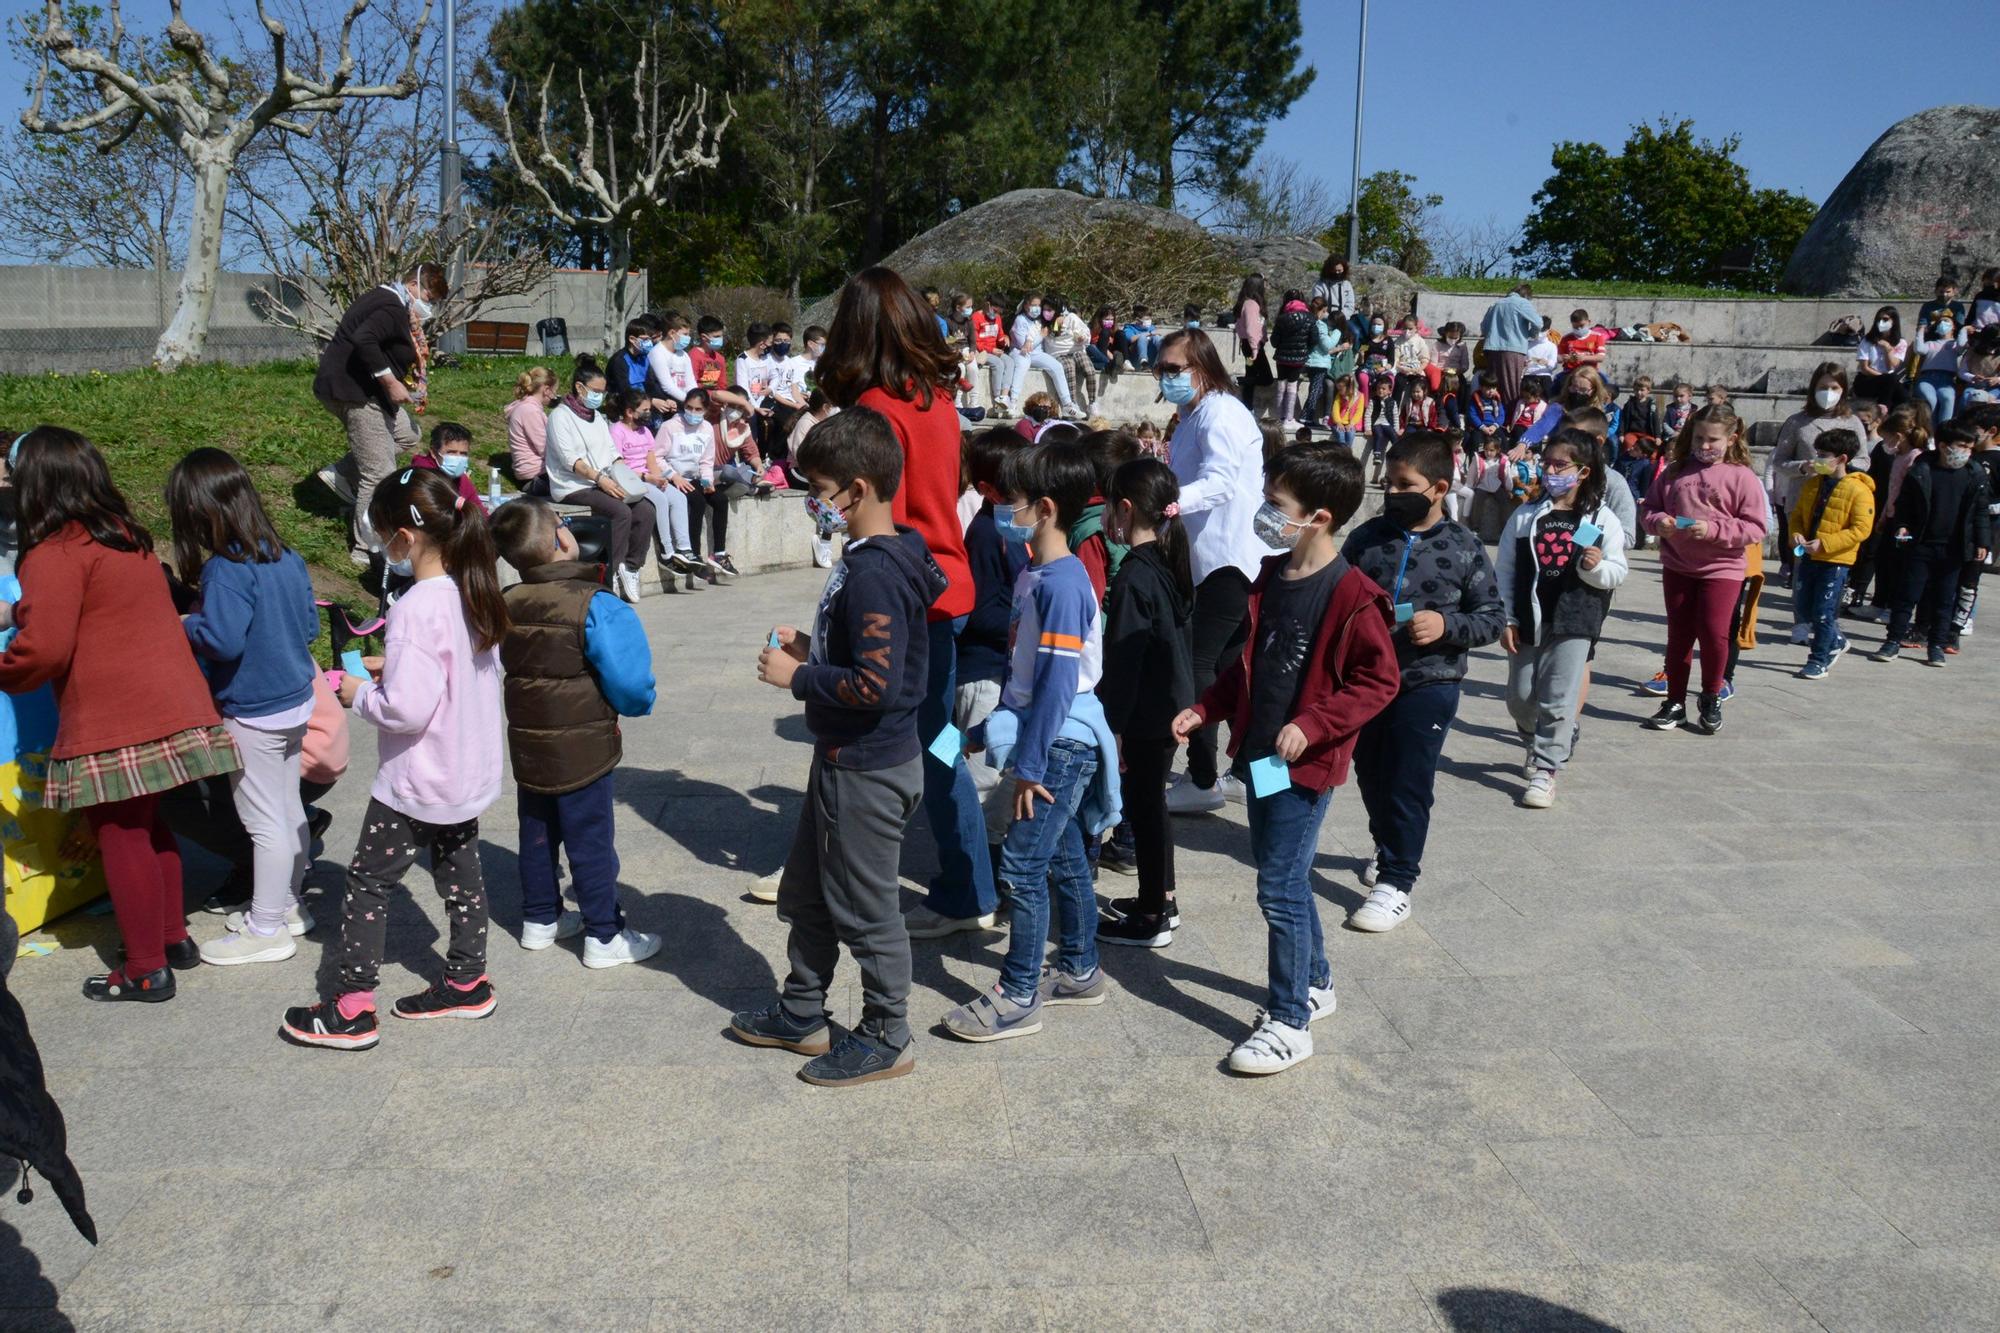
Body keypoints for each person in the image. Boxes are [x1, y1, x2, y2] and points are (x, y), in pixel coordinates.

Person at [1171, 444, 1398, 1074]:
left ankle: (1290, 1021)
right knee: (1286, 878)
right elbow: (1248, 668)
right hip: (1262, 760)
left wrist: (1315, 724)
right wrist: (1206, 709)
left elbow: (1378, 682)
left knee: (1276, 887)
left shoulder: (1354, 595)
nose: (1266, 514)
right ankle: (1315, 980)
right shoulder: (1270, 577)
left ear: (1319, 518)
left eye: (1277, 506)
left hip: (1306, 767)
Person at [733, 410, 943, 1082]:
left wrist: (801, 677)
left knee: (866, 906)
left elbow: (876, 684)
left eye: (819, 490)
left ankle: (887, 1033)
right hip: (844, 759)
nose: (814, 504)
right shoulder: (877, 557)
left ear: (855, 489)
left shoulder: (878, 571)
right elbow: (871, 658)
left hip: (868, 767)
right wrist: (815, 646)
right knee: (812, 892)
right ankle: (802, 1012)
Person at [0, 427, 242, 1002]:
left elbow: (46, 650)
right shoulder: (124, 537)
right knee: (148, 825)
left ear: (37, 482)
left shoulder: (53, 551)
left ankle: (143, 968)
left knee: (119, 834)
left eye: (13, 475)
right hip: (170, 704)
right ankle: (171, 939)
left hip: (116, 716)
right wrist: (19, 608)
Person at [280, 468, 508, 1050]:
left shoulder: (412, 608)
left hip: (417, 778)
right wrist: (394, 669)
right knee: (462, 875)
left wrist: (358, 693)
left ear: (403, 539)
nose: (384, 547)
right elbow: (459, 676)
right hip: (464, 772)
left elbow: (406, 712)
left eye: (382, 536)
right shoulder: (474, 589)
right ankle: (467, 978)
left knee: (367, 883)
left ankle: (351, 1006)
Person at [818, 267, 997, 937]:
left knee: (870, 736)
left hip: (894, 588)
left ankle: (930, 884)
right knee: (941, 741)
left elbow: (860, 504)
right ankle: (968, 879)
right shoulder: (938, 401)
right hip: (944, 587)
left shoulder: (872, 407)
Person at [943, 439, 1118, 1042]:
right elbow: (1023, 686)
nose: (1000, 510)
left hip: (1059, 745)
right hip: (1042, 738)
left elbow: (1056, 686)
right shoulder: (1035, 574)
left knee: (1021, 866)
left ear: (1044, 508)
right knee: (1065, 858)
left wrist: (1031, 767)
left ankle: (1018, 992)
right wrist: (975, 734)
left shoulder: (1063, 585)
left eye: (1009, 501)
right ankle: (1079, 968)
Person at [489, 500, 662, 967]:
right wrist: (639, 705)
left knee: (537, 831)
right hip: (583, 747)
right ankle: (605, 934)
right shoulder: (594, 603)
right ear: (563, 540)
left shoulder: (507, 601)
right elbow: (630, 682)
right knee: (590, 838)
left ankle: (540, 920)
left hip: (529, 742)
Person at [1342, 432, 1503, 928]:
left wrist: (1447, 627)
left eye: (1403, 484)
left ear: (1437, 488)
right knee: (1371, 772)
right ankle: (1386, 842)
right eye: (1388, 482)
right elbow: (1336, 591)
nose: (1392, 492)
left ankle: (1397, 881)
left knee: (1409, 781)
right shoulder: (1367, 537)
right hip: (1366, 682)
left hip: (1429, 683)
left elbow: (1493, 618)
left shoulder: (1464, 545)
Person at [168, 448, 321, 966]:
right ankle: (289, 905)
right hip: (296, 701)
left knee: (262, 822)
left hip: (252, 710)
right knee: (287, 807)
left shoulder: (225, 569)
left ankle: (266, 927)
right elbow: (309, 628)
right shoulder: (286, 555)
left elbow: (224, 641)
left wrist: (189, 625)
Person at [1155, 329, 1268, 815]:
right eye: (1161, 369)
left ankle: (1202, 778)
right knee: (1228, 670)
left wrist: (1172, 503)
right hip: (1212, 558)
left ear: (1202, 367)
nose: (1167, 377)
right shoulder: (1194, 414)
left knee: (1196, 669)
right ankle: (1237, 771)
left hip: (1227, 558)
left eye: (1175, 369)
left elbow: (1219, 481)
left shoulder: (1219, 412)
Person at [1095, 457, 1196, 948]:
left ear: (1127, 508)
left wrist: (1111, 725)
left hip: (1145, 714)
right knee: (1152, 807)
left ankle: (1152, 913)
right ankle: (1163, 898)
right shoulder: (1166, 559)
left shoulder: (1136, 574)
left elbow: (1125, 659)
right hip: (1169, 704)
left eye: (1111, 507)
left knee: (1145, 811)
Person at [1497, 430, 1627, 808]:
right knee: (1520, 697)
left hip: (1575, 619)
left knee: (1558, 699)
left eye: (1560, 465)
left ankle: (1547, 769)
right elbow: (1504, 569)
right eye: (1547, 462)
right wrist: (1506, 616)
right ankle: (1532, 740)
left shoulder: (1602, 519)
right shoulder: (1525, 516)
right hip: (1528, 616)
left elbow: (1618, 571)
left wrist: (1596, 568)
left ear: (1583, 472)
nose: (1550, 470)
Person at [1642, 404, 1769, 734]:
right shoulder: (1675, 471)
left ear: (1732, 438)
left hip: (1722, 567)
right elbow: (1650, 509)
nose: (1705, 445)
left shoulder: (1742, 477)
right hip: (1678, 566)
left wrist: (1713, 530)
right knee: (1679, 636)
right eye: (1699, 437)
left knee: (1714, 634)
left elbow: (1756, 527)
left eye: (1713, 439)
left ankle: (1711, 695)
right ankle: (1675, 701)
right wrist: (1660, 523)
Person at [315, 262, 446, 566]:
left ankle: (342, 473)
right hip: (357, 394)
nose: (430, 306)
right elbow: (364, 339)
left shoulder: (395, 304)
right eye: (429, 297)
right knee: (379, 472)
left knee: (407, 434)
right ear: (413, 284)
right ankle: (367, 547)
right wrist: (389, 380)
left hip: (368, 392)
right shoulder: (390, 304)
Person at [544, 356, 664, 603]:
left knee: (645, 509)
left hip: (603, 480)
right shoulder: (560, 417)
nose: (599, 396)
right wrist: (600, 479)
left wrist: (624, 477)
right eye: (595, 391)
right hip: (574, 485)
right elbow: (571, 460)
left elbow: (612, 453)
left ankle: (630, 567)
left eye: (602, 391)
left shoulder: (597, 417)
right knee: (621, 512)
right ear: (579, 388)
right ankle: (608, 576)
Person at [1873, 420, 1993, 666]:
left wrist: (1982, 541)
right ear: (1942, 445)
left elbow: (1979, 512)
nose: (1966, 451)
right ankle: (1893, 640)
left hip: (1953, 548)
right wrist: (1902, 525)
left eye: (1970, 447)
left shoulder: (1974, 474)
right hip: (1921, 545)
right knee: (1907, 595)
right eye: (1961, 445)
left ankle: (1936, 645)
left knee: (1944, 599)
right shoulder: (1922, 469)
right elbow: (1905, 503)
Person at [1766, 364, 1866, 596]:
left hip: (1839, 502)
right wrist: (1803, 467)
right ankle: (1801, 617)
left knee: (1831, 568)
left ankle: (1825, 615)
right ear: (1813, 388)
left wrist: (1840, 467)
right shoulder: (1796, 422)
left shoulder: (1852, 422)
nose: (1828, 392)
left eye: (1834, 387)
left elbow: (1864, 460)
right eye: (1822, 387)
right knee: (1802, 565)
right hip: (1802, 499)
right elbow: (1780, 461)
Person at [1787, 428, 1875, 680]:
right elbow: (1798, 517)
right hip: (1807, 557)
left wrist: (1825, 544)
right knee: (1804, 606)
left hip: (1834, 560)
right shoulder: (1813, 484)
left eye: (1823, 455)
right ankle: (1835, 640)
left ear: (1842, 459)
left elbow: (1861, 529)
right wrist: (1796, 535)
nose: (1817, 460)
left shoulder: (1859, 491)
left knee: (1824, 611)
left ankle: (1819, 659)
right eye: (1817, 453)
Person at [649, 386, 725, 582]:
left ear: (706, 410)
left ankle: (719, 553)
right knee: (697, 501)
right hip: (673, 477)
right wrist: (674, 476)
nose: (693, 413)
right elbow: (656, 457)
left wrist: (708, 480)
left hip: (695, 477)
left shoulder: (707, 428)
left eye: (698, 409)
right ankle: (694, 554)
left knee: (720, 500)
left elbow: (707, 460)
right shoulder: (670, 427)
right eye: (689, 408)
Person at [1479, 282, 1542, 422]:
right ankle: (1510, 419)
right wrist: (1531, 333)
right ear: (1526, 295)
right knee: (1511, 387)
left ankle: (1495, 419)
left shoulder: (1496, 304)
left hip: (1492, 349)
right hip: (1513, 349)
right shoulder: (1522, 303)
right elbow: (1538, 322)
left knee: (1494, 385)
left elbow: (1483, 328)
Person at [505, 366, 558, 496]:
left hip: (536, 475)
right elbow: (545, 448)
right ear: (546, 390)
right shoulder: (530, 411)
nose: (555, 396)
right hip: (535, 478)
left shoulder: (528, 408)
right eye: (555, 391)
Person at [411, 420, 485, 514]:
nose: (458, 458)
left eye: (463, 453)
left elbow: (479, 511)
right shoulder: (421, 477)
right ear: (433, 452)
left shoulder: (460, 478)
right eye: (451, 452)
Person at [1270, 289, 1315, 429]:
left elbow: (1274, 342)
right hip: (1299, 358)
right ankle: (1289, 418)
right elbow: (1314, 339)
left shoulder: (1282, 317)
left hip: (1282, 358)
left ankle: (1278, 418)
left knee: (1281, 385)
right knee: (1292, 385)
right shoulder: (1310, 317)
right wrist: (1305, 347)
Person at [1913, 306, 1964, 425]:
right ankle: (1931, 431)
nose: (1942, 324)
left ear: (1953, 327)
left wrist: (1964, 330)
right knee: (1930, 399)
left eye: (1946, 321)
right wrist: (1921, 330)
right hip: (1927, 378)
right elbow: (1919, 349)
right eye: (1940, 322)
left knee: (1948, 398)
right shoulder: (1930, 344)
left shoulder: (1954, 345)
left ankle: (1943, 430)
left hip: (1947, 379)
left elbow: (1962, 345)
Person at [1855, 305, 1909, 406]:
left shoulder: (1901, 342)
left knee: (1904, 398)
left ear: (1894, 321)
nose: (1881, 322)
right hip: (1867, 379)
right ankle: (1883, 410)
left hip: (1889, 379)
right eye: (1878, 319)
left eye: (1885, 319)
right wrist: (1883, 376)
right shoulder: (1867, 341)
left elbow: (1892, 366)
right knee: (1890, 380)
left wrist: (1888, 350)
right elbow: (1864, 368)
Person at [1233, 273, 1271, 410]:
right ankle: (1237, 381)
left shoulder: (1246, 302)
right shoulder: (1251, 304)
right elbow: (1251, 328)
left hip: (1248, 346)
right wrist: (1255, 348)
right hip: (1252, 347)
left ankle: (1247, 407)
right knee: (1267, 378)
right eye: (1263, 284)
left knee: (1251, 374)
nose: (1265, 287)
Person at [1363, 374, 1401, 481]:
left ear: (1389, 391)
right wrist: (1368, 428)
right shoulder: (1373, 401)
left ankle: (1399, 453)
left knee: (1393, 435)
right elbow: (1368, 415)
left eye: (1383, 389)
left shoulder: (1393, 402)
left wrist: (1396, 429)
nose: (1380, 391)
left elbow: (1395, 416)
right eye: (1379, 388)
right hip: (1376, 423)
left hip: (1387, 423)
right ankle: (1377, 455)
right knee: (1378, 435)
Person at [1620, 376, 1661, 462]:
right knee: (1628, 442)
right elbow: (1623, 420)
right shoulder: (1630, 404)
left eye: (1642, 390)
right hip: (1632, 432)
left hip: (1647, 433)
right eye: (1636, 390)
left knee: (1651, 447)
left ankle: (1651, 465)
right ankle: (1627, 463)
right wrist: (1621, 434)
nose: (1639, 392)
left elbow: (1656, 421)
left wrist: (1658, 436)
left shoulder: (1651, 405)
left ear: (1648, 391)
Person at [1557, 309, 1608, 377]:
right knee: (1557, 382)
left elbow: (1600, 357)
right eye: (1575, 327)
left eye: (1582, 326)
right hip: (1570, 371)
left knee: (1605, 382)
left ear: (1589, 322)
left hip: (1590, 372)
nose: (1579, 329)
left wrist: (1584, 358)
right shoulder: (1566, 339)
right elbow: (1558, 358)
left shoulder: (1597, 336)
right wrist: (1563, 358)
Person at [1328, 373, 1366, 449]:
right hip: (1338, 422)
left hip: (1352, 423)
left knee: (1350, 433)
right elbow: (1335, 409)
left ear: (1350, 388)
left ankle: (1346, 452)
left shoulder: (1360, 396)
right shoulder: (1339, 395)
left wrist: (1351, 424)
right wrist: (1338, 422)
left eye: (1340, 389)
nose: (1339, 391)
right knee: (1340, 434)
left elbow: (1359, 412)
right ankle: (1344, 452)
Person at [1120, 304, 1159, 371]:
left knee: (1157, 338)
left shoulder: (1151, 327)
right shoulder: (1129, 328)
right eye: (1146, 319)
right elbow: (1131, 339)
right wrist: (1148, 334)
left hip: (1151, 357)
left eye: (1150, 318)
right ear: (1138, 320)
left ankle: (1166, 359)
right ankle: (1143, 362)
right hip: (1136, 359)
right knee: (1142, 337)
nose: (1149, 321)